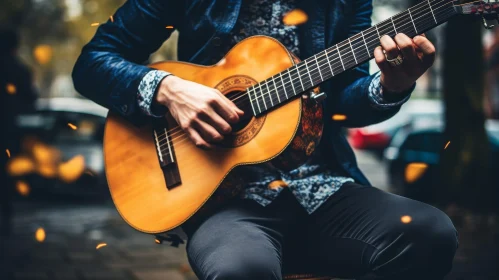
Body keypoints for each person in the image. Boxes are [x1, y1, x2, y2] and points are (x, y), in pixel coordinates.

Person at [72, 0, 458, 279]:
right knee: (241, 271)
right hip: (224, 199)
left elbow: (344, 100)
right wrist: (168, 90)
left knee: (431, 233)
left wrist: (392, 85)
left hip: (323, 186)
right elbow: (93, 62)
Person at [0, 27, 38, 237]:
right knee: (6, 174)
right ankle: (6, 219)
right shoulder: (18, 69)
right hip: (6, 130)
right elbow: (31, 99)